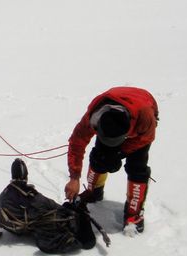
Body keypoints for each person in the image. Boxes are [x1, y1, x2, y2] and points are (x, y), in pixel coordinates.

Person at [64, 86, 159, 234]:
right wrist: (74, 177)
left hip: (140, 125)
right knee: (99, 159)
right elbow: (77, 142)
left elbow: (147, 137)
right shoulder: (93, 117)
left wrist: (120, 153)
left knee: (137, 168)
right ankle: (93, 192)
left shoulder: (145, 116)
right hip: (118, 111)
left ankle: (134, 214)